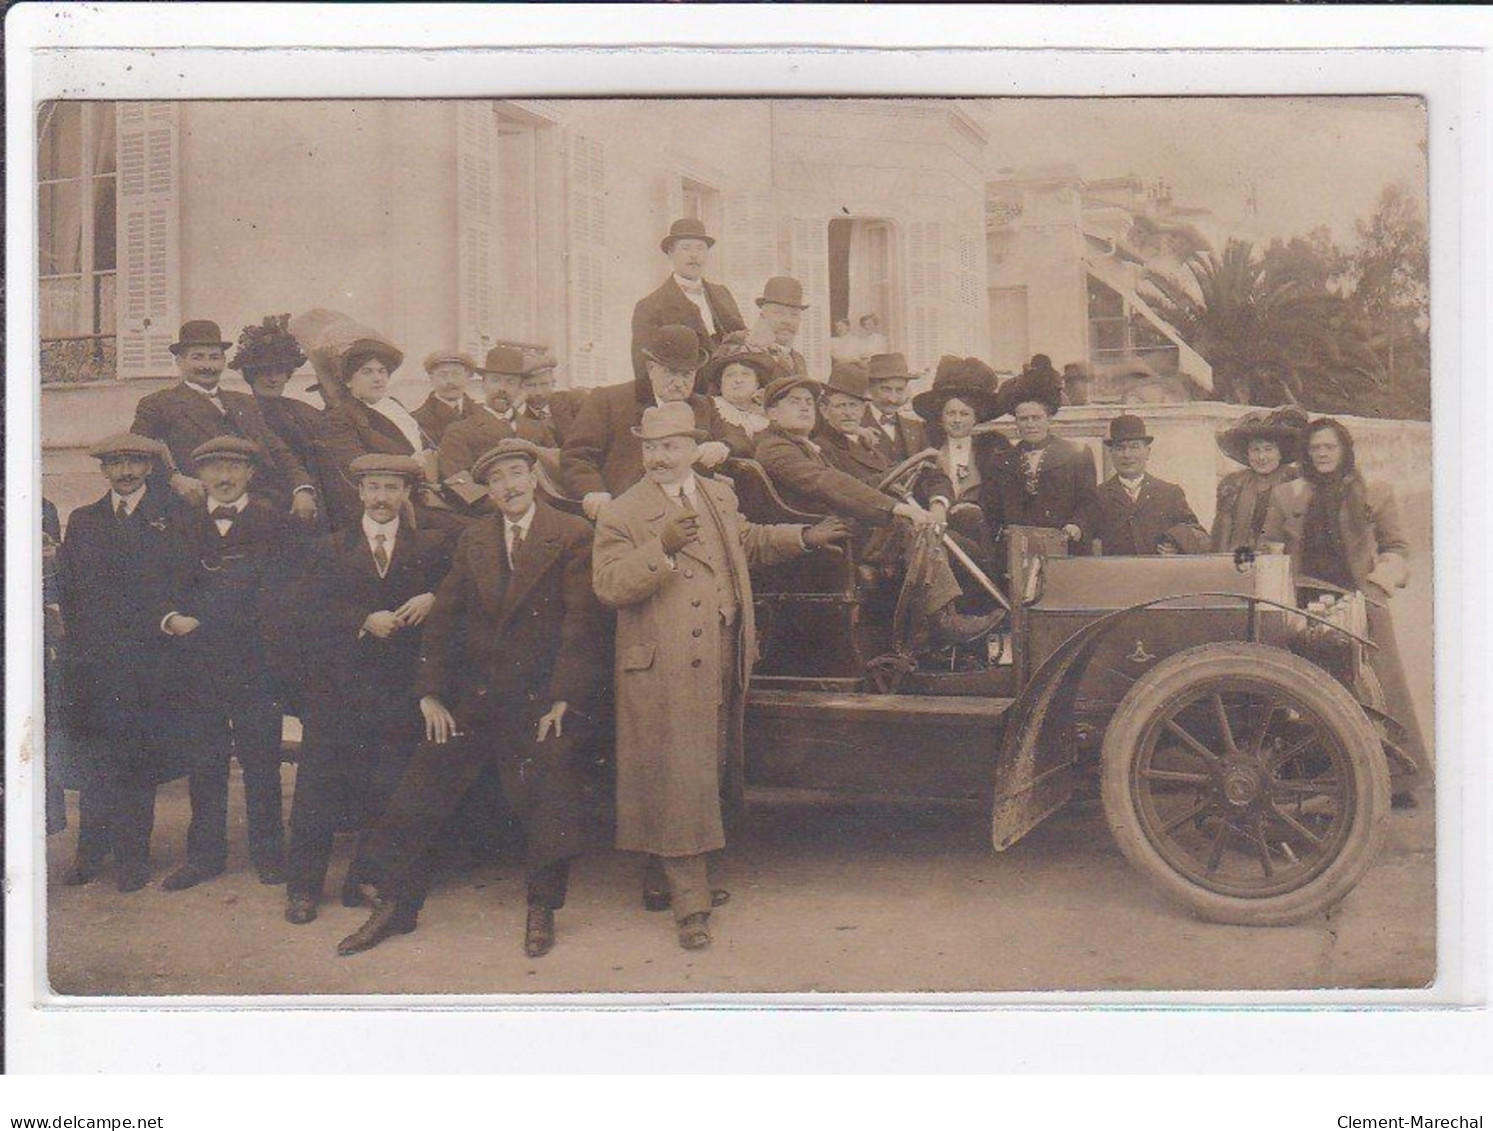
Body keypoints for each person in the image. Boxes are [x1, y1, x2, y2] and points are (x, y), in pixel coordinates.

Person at [335, 439, 611, 958]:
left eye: (515, 474)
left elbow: (582, 624)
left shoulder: (572, 533)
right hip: (479, 695)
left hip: (541, 700)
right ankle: (396, 904)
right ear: (487, 490)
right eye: (496, 480)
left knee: (547, 790)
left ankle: (541, 909)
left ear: (534, 477)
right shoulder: (477, 538)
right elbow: (445, 618)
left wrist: (564, 700)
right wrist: (431, 694)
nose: (508, 486)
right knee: (425, 780)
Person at [592, 401, 848, 949]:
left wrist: (804, 538)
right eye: (651, 448)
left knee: (702, 769)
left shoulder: (717, 494)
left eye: (671, 446)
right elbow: (610, 586)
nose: (660, 457)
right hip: (662, 663)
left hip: (720, 653)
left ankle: (662, 875)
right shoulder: (623, 512)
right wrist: (660, 550)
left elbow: (747, 542)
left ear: (692, 449)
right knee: (680, 775)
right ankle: (691, 903)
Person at [282, 455, 453, 925]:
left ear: (406, 495)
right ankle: (303, 887)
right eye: (374, 488)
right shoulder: (328, 549)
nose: (381, 498)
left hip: (399, 692)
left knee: (389, 787)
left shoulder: (431, 548)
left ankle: (368, 877)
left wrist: (436, 597)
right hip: (338, 691)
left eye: (392, 488)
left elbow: (461, 588)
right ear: (358, 492)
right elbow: (303, 612)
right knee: (317, 790)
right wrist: (361, 618)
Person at [754, 375, 1000, 647]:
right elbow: (828, 483)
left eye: (808, 402)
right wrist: (896, 507)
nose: (804, 407)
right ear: (771, 413)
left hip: (840, 532)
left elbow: (852, 483)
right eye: (794, 402)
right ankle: (941, 622)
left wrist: (902, 475)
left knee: (951, 538)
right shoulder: (777, 450)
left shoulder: (801, 447)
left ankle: (941, 628)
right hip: (822, 542)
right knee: (912, 529)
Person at [157, 437, 301, 891]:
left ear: (250, 474)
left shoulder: (275, 523)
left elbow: (289, 591)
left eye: (233, 468)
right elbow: (161, 583)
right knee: (205, 762)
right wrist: (171, 617)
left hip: (256, 662)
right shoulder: (180, 523)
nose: (223, 477)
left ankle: (269, 855)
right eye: (214, 468)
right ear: (199, 476)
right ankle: (204, 856)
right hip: (199, 662)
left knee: (261, 761)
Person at [1261, 417, 1427, 802]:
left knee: (1378, 691)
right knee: (1314, 692)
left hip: (1360, 600)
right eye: (1315, 448)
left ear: (1344, 450)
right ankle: (1326, 780)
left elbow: (1397, 548)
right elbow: (1267, 544)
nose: (1322, 454)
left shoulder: (1375, 493)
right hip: (1305, 602)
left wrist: (1381, 580)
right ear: (1306, 453)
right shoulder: (1288, 495)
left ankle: (1396, 780)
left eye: (1329, 447)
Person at [55, 434, 193, 892]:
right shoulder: (84, 520)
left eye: (135, 462)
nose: (126, 472)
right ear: (104, 471)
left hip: (148, 663)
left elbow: (179, 585)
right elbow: (70, 589)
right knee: (96, 761)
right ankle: (90, 852)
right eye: (116, 464)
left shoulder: (171, 519)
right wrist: (85, 649)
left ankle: (134, 857)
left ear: (151, 469)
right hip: (95, 664)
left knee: (136, 763)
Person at [132, 319, 320, 521]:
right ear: (180, 362)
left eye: (214, 358)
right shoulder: (159, 404)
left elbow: (279, 451)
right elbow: (136, 454)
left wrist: (302, 489)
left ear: (222, 361)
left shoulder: (244, 403)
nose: (207, 366)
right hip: (201, 510)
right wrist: (174, 479)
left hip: (264, 506)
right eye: (198, 357)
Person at [562, 324, 739, 519]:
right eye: (671, 372)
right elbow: (576, 455)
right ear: (651, 369)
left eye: (687, 374)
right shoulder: (609, 400)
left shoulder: (703, 405)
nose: (679, 383)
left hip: (690, 513)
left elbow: (739, 438)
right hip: (627, 511)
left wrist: (723, 446)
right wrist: (593, 490)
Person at [317, 337, 463, 533]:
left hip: (427, 493)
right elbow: (356, 468)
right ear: (349, 381)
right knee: (468, 530)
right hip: (390, 505)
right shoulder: (341, 418)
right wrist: (414, 469)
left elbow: (425, 448)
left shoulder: (393, 405)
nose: (378, 378)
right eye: (367, 372)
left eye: (382, 371)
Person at [228, 315, 331, 527]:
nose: (272, 379)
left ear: (287, 374)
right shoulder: (238, 413)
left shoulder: (304, 412)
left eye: (279, 372)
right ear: (250, 375)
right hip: (263, 509)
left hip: (311, 503)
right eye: (264, 372)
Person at [988, 361, 1097, 552]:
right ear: (1016, 424)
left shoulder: (1076, 454)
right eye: (1024, 419)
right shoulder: (1003, 461)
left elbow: (1088, 502)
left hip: (1065, 546)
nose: (1030, 425)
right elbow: (994, 512)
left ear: (1049, 419)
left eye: (1036, 418)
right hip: (1019, 550)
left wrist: (1076, 525)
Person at [910, 357, 1012, 553]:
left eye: (964, 414)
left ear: (976, 417)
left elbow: (1001, 495)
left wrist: (977, 508)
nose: (957, 420)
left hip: (980, 529)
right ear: (941, 416)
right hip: (931, 525)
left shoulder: (993, 447)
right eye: (951, 413)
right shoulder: (926, 445)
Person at [630, 217, 745, 386]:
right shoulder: (649, 307)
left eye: (700, 248)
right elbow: (644, 369)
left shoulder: (723, 294)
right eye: (686, 248)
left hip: (727, 395)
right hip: (684, 395)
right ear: (670, 253)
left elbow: (742, 345)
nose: (694, 255)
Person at [437, 345, 558, 483]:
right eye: (495, 380)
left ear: (520, 388)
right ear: (483, 384)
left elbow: (558, 469)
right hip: (486, 504)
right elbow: (459, 485)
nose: (502, 388)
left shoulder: (538, 428)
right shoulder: (459, 431)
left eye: (511, 382)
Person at [1092, 415, 1210, 556]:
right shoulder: (1097, 496)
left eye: (1134, 447)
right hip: (1116, 576)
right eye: (1120, 448)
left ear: (1147, 452)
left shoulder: (1170, 493)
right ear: (1111, 453)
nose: (1127, 455)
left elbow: (1199, 535)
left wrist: (1179, 547)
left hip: (1160, 575)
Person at [1211, 407, 1306, 554]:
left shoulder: (1295, 481)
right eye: (1255, 450)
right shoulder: (1232, 485)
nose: (1262, 457)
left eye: (1268, 449)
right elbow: (1221, 538)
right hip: (1239, 562)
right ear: (1247, 454)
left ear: (1280, 453)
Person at [814, 360, 890, 487]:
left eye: (853, 405)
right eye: (841, 406)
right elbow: (848, 490)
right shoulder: (822, 448)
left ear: (863, 409)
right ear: (824, 410)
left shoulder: (865, 441)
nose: (848, 413)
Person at [701, 332, 774, 453]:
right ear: (721, 383)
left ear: (757, 384)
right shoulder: (709, 407)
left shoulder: (767, 417)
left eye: (745, 374)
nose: (738, 380)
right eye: (730, 375)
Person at [861, 353, 928, 466]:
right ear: (870, 389)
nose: (893, 399)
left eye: (899, 390)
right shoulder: (857, 425)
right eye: (886, 389)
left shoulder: (915, 428)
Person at [745, 276, 810, 380]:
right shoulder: (743, 350)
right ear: (762, 317)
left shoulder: (799, 360)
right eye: (778, 313)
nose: (787, 321)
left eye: (794, 315)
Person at [411, 349, 481, 445]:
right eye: (443, 375)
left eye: (456, 374)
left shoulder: (482, 414)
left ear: (468, 377)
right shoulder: (417, 421)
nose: (450, 381)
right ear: (432, 378)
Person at [518, 353, 584, 448]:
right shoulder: (521, 420)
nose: (538, 392)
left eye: (544, 384)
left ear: (553, 383)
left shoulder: (573, 402)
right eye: (531, 385)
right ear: (521, 388)